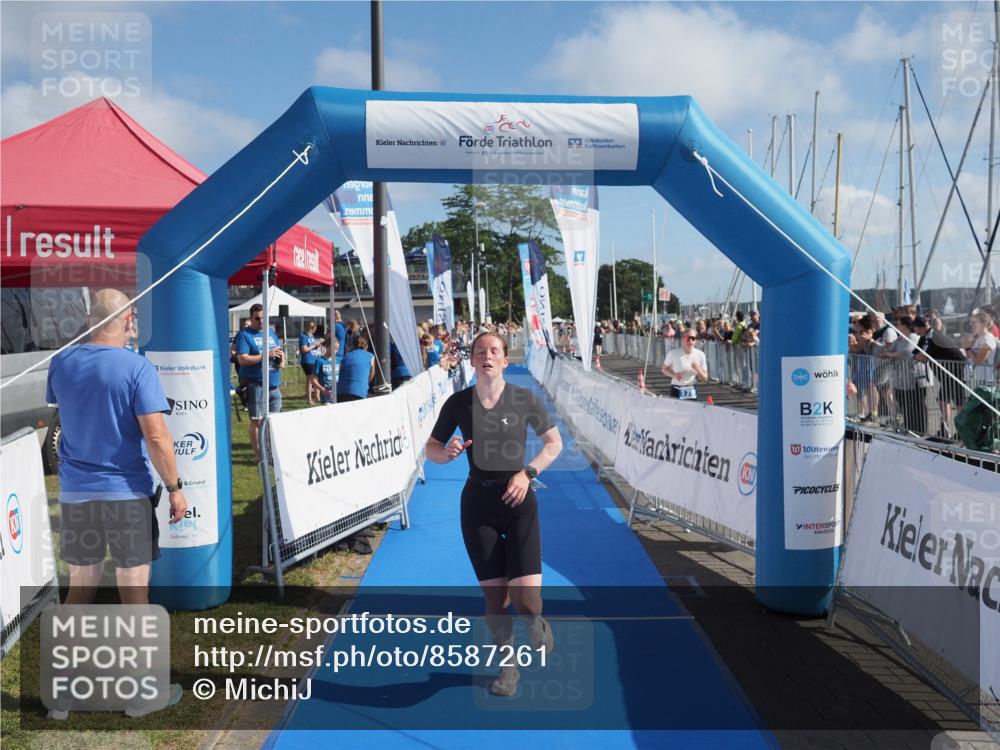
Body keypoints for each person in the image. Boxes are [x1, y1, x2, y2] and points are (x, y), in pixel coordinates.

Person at [45, 288, 187, 715]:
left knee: (79, 592)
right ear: (128, 322)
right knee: (134, 594)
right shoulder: (137, 367)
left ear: (89, 319)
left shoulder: (61, 363)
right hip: (125, 494)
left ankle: (62, 697)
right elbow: (157, 436)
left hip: (76, 494)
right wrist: (176, 486)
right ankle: (142, 696)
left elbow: (67, 412)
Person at [426, 332, 563, 697]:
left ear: (505, 360)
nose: (487, 355)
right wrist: (447, 452)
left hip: (519, 503)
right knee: (495, 599)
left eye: (495, 351)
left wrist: (527, 473)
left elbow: (554, 443)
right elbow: (432, 449)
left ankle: (535, 621)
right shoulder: (457, 404)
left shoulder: (523, 399)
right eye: (480, 351)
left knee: (525, 601)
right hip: (477, 506)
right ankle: (508, 667)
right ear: (471, 360)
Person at [234, 303, 285, 462]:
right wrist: (266, 355)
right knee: (257, 421)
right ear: (251, 318)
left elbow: (279, 350)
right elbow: (242, 359)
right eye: (257, 318)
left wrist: (281, 361)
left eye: (264, 318)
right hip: (255, 385)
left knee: (274, 422)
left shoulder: (270, 332)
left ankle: (272, 453)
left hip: (274, 384)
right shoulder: (244, 335)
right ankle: (259, 456)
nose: (261, 321)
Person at [661, 329, 708, 399]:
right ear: (683, 339)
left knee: (692, 410)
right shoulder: (673, 353)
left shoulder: (700, 355)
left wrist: (698, 369)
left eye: (693, 338)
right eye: (688, 338)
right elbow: (664, 369)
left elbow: (705, 379)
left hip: (692, 389)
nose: (690, 341)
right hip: (676, 388)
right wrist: (674, 375)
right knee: (675, 410)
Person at [337, 333, 376, 402]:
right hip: (359, 392)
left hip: (340, 392)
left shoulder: (346, 356)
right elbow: (371, 374)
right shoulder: (371, 356)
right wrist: (364, 384)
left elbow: (340, 373)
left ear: (353, 346)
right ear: (366, 347)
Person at [308, 335, 337, 405]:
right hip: (326, 397)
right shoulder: (320, 361)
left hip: (338, 395)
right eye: (334, 348)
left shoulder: (339, 360)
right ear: (327, 346)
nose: (335, 351)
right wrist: (323, 390)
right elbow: (313, 380)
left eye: (337, 349)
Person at [299, 321, 322, 405]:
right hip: (307, 361)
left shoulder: (311, 336)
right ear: (310, 328)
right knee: (310, 380)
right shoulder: (303, 337)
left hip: (314, 359)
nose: (315, 331)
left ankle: (318, 397)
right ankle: (309, 399)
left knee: (316, 379)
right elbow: (304, 349)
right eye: (314, 329)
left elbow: (312, 347)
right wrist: (314, 346)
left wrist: (317, 346)